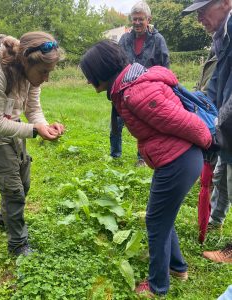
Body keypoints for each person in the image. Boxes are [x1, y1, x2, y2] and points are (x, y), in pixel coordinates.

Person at [80, 40, 211, 296]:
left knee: (156, 222)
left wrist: (209, 142)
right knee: (162, 216)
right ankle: (177, 268)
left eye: (88, 76)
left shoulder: (136, 93)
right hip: (176, 160)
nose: (87, 81)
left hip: (179, 161)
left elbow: (185, 122)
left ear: (101, 71)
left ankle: (157, 287)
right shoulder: (126, 89)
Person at [0, 31, 65, 256]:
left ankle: (5, 218)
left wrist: (43, 125)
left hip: (15, 130)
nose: (46, 79)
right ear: (26, 61)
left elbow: (33, 108)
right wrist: (34, 130)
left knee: (24, 182)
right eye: (44, 73)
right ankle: (18, 245)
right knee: (14, 192)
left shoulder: (30, 73)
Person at [182, 0, 232, 263]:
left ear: (225, 2)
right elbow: (215, 86)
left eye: (204, 9)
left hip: (229, 121)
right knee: (222, 175)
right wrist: (197, 109)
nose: (199, 17)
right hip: (227, 126)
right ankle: (215, 222)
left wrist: (214, 121)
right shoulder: (221, 36)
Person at [110, 0, 170, 165]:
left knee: (144, 125)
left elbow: (165, 67)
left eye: (140, 19)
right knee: (116, 123)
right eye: (134, 19)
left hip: (147, 90)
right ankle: (115, 156)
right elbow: (117, 62)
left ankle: (141, 158)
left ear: (148, 19)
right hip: (123, 88)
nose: (137, 22)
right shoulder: (124, 39)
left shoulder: (158, 40)